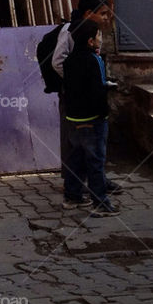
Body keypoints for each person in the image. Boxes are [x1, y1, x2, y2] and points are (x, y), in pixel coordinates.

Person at [52, 0, 122, 201]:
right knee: (77, 146)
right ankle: (76, 186)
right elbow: (58, 62)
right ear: (89, 13)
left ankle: (94, 180)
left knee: (89, 148)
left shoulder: (92, 32)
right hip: (75, 99)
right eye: (102, 14)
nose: (106, 18)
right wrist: (77, 82)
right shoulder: (70, 31)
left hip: (87, 98)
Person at [62, 18, 119, 216]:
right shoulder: (95, 60)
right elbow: (98, 90)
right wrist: (104, 113)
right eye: (99, 35)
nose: (101, 39)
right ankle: (100, 203)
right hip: (93, 119)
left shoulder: (68, 61)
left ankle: (72, 196)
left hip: (73, 119)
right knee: (95, 161)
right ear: (90, 41)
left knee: (76, 158)